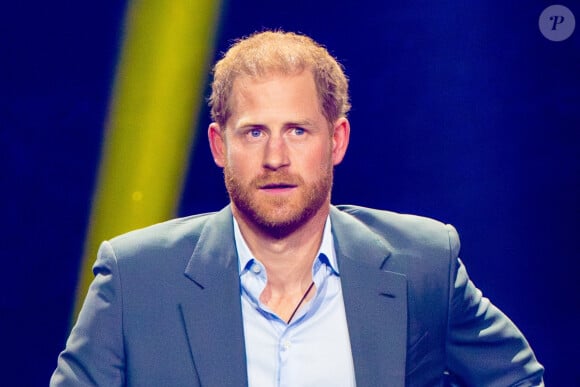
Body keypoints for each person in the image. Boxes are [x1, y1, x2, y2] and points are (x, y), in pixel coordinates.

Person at [51, 30, 544, 386]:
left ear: (337, 140)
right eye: (254, 132)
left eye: (298, 130)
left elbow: (519, 380)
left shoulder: (421, 263)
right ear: (219, 146)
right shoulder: (136, 279)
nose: (275, 158)